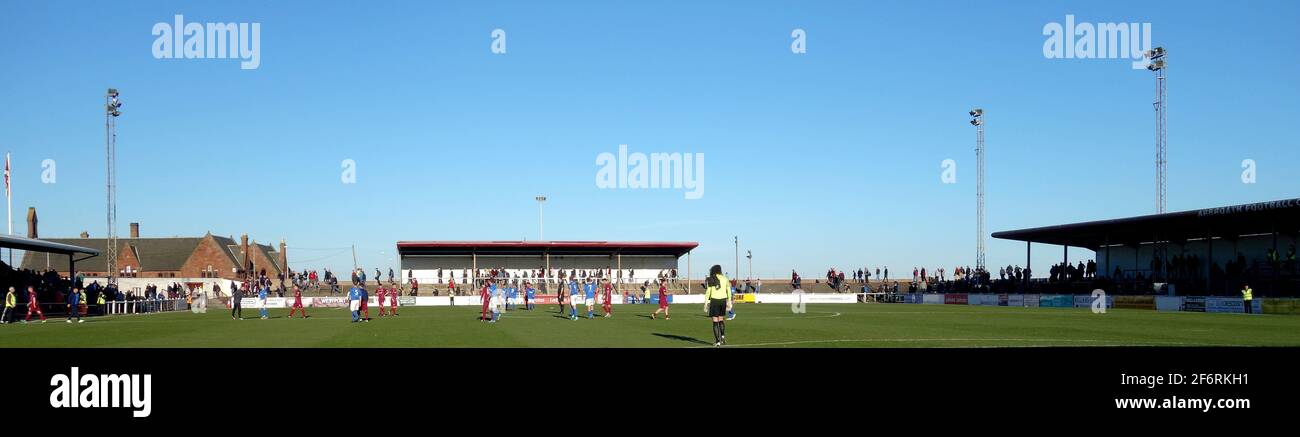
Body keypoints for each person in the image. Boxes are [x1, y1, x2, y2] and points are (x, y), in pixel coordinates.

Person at [704, 265, 730, 347]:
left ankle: (717, 341)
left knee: (715, 321)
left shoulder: (711, 278)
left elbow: (708, 291)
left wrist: (706, 303)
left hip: (714, 300)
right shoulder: (725, 278)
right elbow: (728, 290)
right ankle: (722, 336)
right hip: (723, 300)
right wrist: (729, 300)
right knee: (721, 319)